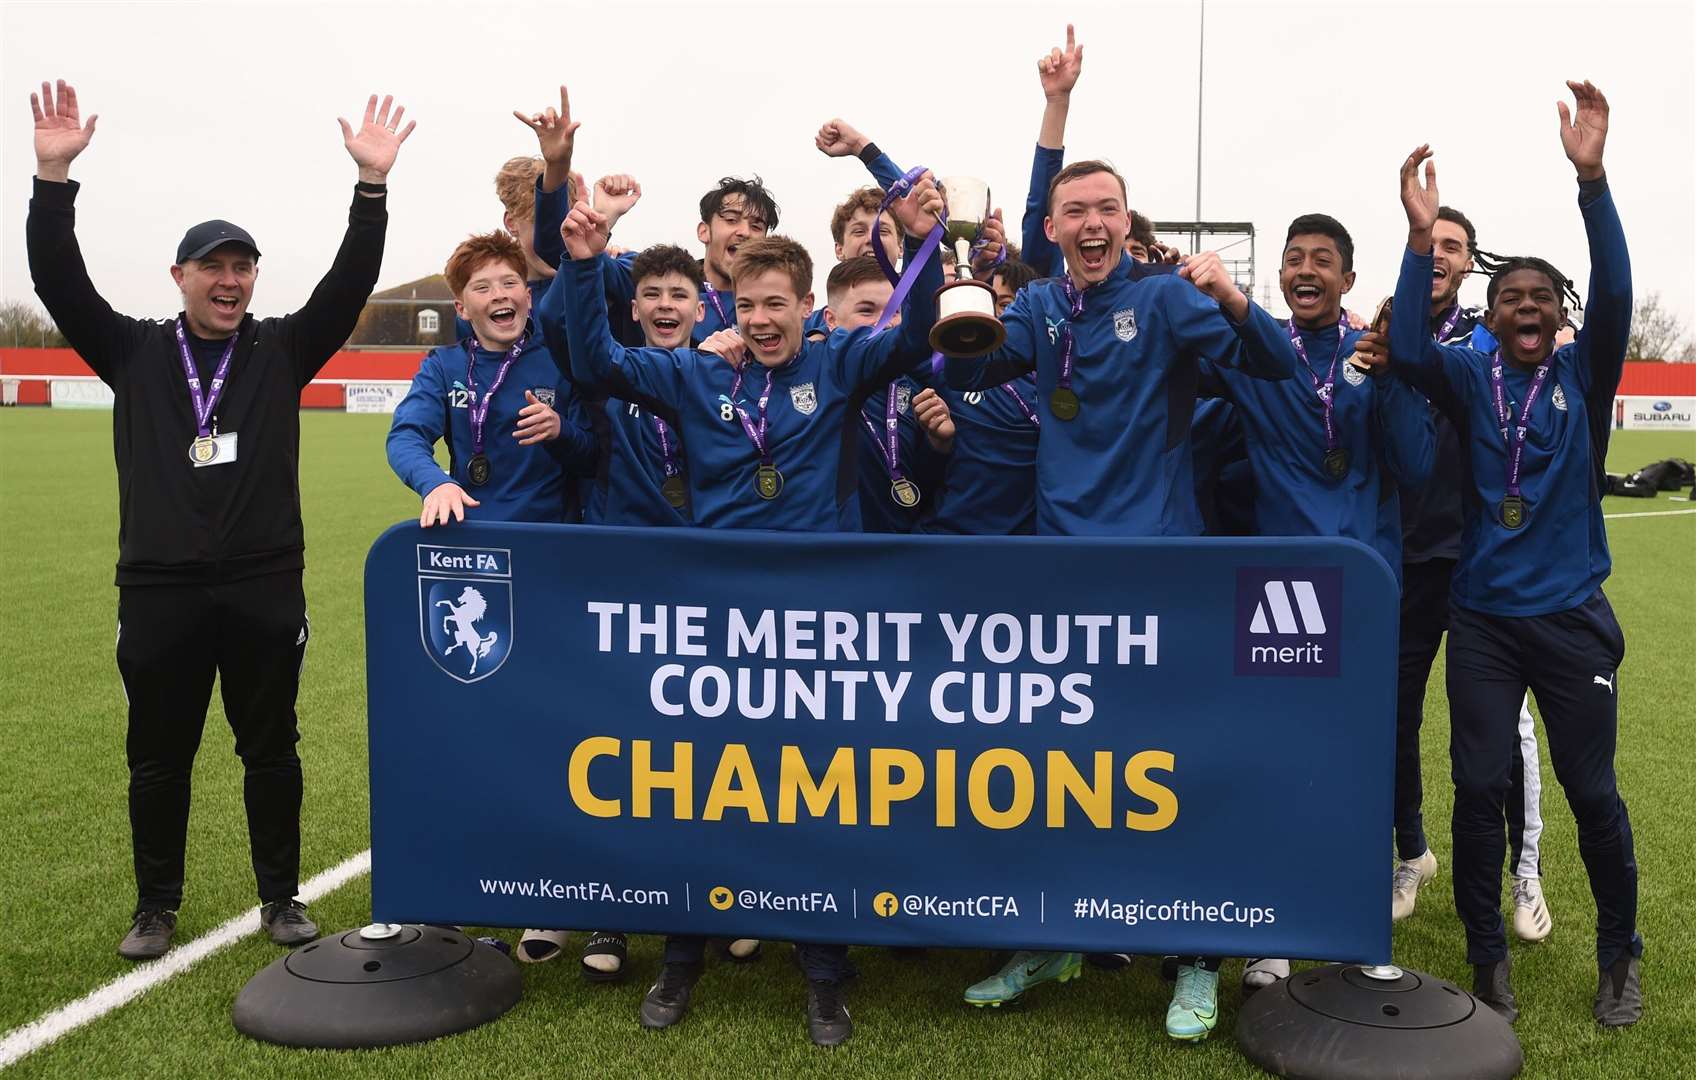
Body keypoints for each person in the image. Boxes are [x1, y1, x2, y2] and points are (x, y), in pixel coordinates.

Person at [26, 80, 412, 960]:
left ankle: (281, 898)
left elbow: (349, 285)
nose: (231, 280)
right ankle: (155, 906)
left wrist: (371, 190)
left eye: (242, 267)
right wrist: (54, 179)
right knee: (158, 758)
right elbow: (57, 277)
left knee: (271, 750)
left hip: (263, 584)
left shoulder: (279, 351)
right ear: (181, 277)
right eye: (214, 266)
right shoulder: (133, 351)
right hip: (158, 587)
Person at [553, 180, 945, 1045]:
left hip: (819, 626)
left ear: (809, 306)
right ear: (725, 302)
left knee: (818, 803)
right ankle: (681, 959)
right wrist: (585, 268)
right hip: (720, 624)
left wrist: (922, 244)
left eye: (778, 305)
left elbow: (920, 334)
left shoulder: (839, 364)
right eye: (747, 304)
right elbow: (595, 366)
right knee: (707, 796)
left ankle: (824, 974)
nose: (761, 320)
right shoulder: (697, 372)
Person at [949, 158, 1290, 1042]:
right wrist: (948, 304)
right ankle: (1050, 938)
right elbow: (973, 375)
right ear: (1055, 228)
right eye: (1074, 211)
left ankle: (1194, 962)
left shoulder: (1169, 300)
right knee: (1058, 776)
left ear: (1127, 222)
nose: (1090, 223)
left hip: (1165, 575)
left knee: (1175, 773)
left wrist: (1234, 300)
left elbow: (1276, 366)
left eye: (1106, 209)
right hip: (1064, 576)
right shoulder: (1038, 308)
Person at [1385, 81, 1640, 1027]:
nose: (1525, 309)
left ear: (1558, 314)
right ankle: (1488, 961)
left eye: (1539, 299)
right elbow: (1408, 347)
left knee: (1592, 792)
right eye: (1511, 300)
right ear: (1492, 316)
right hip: (1484, 618)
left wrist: (1593, 182)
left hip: (1571, 619)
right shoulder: (1465, 372)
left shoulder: (1586, 369)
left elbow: (1613, 288)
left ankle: (1621, 953)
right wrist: (1420, 246)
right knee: (1478, 783)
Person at [1384, 205, 1554, 942]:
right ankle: (1412, 852)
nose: (1443, 256)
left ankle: (1526, 872)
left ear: (1470, 265)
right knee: (1391, 715)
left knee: (1504, 732)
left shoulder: (1494, 343)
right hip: (1411, 557)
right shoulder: (1391, 333)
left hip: (1488, 564)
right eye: (1433, 246)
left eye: (1456, 247)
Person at [385, 231, 593, 526]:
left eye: (510, 283)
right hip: (472, 537)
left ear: (528, 296)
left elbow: (594, 458)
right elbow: (406, 436)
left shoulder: (562, 361)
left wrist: (562, 431)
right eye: (482, 288)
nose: (499, 294)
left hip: (550, 540)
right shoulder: (443, 367)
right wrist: (434, 482)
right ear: (462, 309)